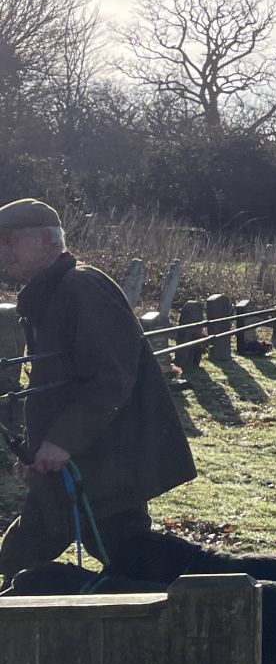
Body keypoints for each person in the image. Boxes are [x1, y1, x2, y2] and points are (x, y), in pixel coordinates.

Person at [0, 199, 195, 582]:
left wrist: (61, 441)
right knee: (23, 553)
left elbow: (108, 379)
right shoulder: (49, 293)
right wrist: (36, 448)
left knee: (132, 558)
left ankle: (221, 597)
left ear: (45, 240)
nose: (1, 253)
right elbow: (54, 386)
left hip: (106, 463)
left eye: (9, 241)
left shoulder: (81, 287)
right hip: (77, 462)